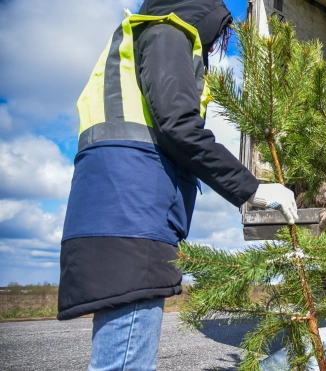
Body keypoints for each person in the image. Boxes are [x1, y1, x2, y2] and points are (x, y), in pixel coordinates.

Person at [58, 1, 298, 369]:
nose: (216, 44)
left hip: (113, 213)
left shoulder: (141, 37)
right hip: (133, 220)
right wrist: (252, 188)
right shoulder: (168, 33)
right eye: (219, 34)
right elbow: (180, 126)